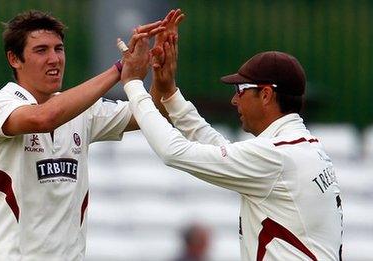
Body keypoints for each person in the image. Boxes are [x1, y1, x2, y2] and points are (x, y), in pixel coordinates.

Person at [120, 24, 343, 260]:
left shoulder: (278, 155)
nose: (235, 100)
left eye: (240, 89)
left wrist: (134, 85)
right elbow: (219, 148)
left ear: (266, 94)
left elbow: (174, 152)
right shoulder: (301, 147)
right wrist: (170, 96)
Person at [0, 10, 169, 260]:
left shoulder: (80, 110)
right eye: (41, 50)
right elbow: (44, 118)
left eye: (58, 49)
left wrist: (164, 77)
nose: (54, 59)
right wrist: (120, 69)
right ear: (14, 59)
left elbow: (151, 114)